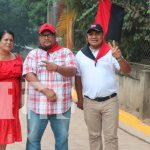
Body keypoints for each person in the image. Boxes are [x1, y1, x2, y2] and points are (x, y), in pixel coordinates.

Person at [75, 24, 131, 150]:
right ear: (87, 37)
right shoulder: (80, 55)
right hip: (90, 102)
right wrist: (80, 98)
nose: (94, 37)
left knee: (111, 137)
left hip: (110, 102)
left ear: (102, 35)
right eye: (91, 34)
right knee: (94, 136)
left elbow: (127, 71)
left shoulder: (110, 52)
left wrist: (119, 57)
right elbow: (77, 77)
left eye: (97, 33)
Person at [23, 23, 77, 150]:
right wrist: (46, 91)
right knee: (33, 141)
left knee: (62, 141)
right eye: (43, 35)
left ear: (55, 36)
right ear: (39, 38)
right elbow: (29, 75)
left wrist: (57, 68)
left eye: (49, 35)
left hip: (61, 107)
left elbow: (73, 71)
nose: (46, 38)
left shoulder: (66, 52)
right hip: (37, 107)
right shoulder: (33, 54)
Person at [0, 30, 22, 150]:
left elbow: (19, 79)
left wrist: (20, 100)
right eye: (6, 39)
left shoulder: (17, 57)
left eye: (11, 40)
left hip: (12, 100)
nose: (9, 42)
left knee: (5, 130)